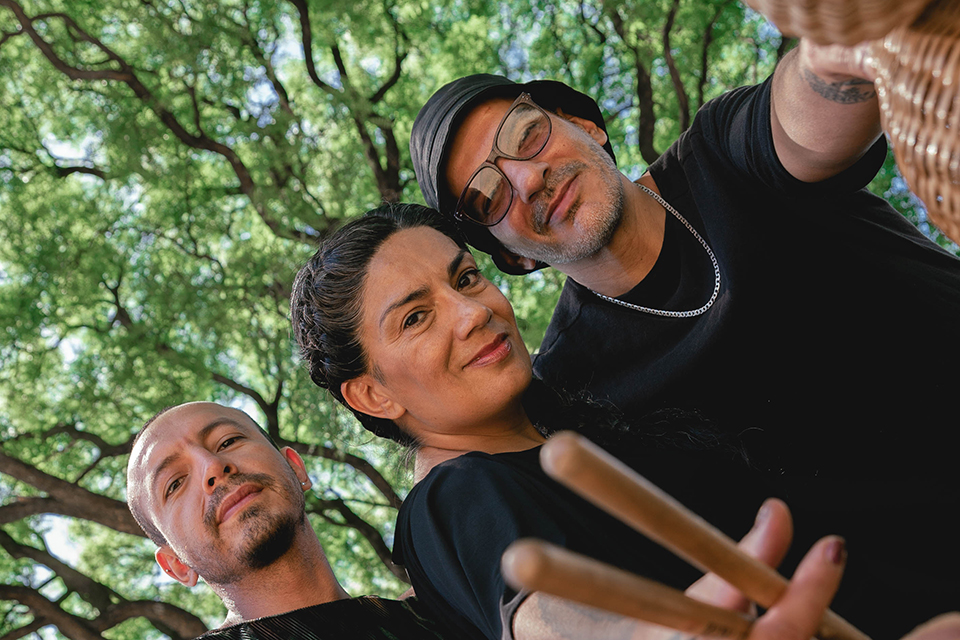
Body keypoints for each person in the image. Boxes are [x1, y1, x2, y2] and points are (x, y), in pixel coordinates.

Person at [407, 40, 960, 638]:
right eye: (488, 197)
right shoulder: (574, 389)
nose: (527, 177)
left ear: (584, 123)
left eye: (524, 134)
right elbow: (475, 476)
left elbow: (808, 121)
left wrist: (843, 38)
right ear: (511, 257)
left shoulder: (721, 155)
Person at [289, 203, 958, 640]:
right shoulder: (452, 500)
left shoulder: (590, 427)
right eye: (415, 317)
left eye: (464, 279)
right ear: (373, 395)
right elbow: (557, 622)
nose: (473, 312)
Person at [124, 400, 451, 639]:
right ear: (175, 565)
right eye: (175, 483)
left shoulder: (447, 616)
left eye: (228, 441)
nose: (212, 466)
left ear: (296, 468)